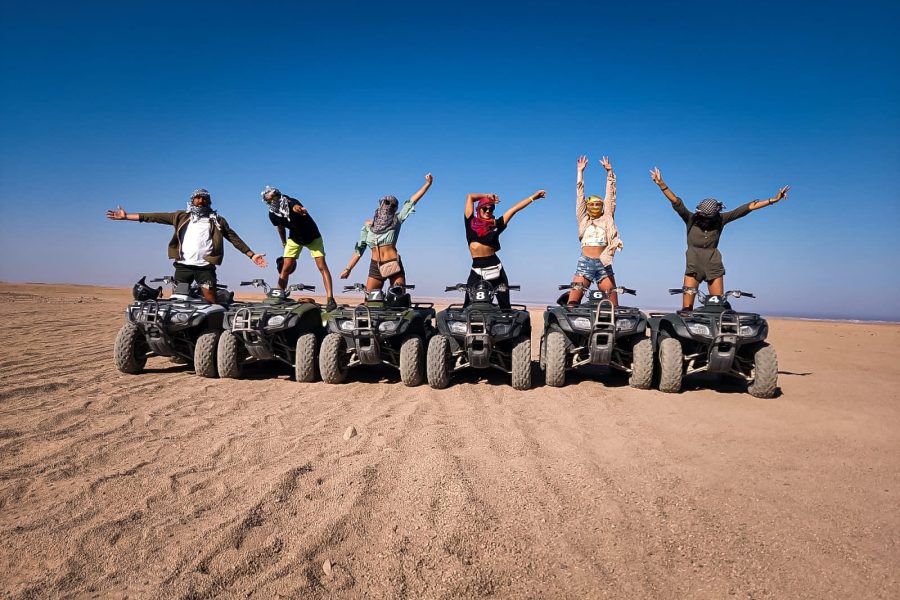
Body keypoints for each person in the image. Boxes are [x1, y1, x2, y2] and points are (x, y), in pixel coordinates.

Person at [650, 167, 790, 310]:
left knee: (718, 309)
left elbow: (747, 208)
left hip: (714, 267)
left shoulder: (720, 219)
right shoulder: (691, 219)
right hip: (693, 267)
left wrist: (774, 199)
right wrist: (661, 184)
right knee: (687, 311)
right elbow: (676, 202)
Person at [106, 188, 268, 303]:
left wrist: (252, 255)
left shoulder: (217, 221)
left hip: (205, 267)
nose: (201, 200)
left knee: (211, 301)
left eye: (204, 198)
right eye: (197, 197)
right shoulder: (181, 217)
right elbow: (154, 217)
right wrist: (126, 216)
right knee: (178, 301)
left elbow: (233, 238)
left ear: (209, 202)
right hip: (183, 267)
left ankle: (216, 331)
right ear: (191, 200)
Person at [340, 173, 434, 291]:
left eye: (393, 205)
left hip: (394, 264)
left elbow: (412, 201)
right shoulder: (368, 227)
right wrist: (348, 269)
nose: (389, 206)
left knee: (398, 300)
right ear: (381, 205)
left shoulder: (396, 220)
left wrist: (428, 184)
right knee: (370, 301)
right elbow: (359, 251)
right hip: (376, 267)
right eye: (386, 203)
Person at [463, 188, 547, 309]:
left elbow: (514, 210)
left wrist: (533, 197)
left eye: (491, 209)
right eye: (485, 208)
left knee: (505, 307)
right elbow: (470, 196)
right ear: (478, 209)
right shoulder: (470, 222)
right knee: (467, 306)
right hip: (476, 270)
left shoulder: (496, 225)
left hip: (496, 269)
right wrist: (487, 195)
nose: (488, 211)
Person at [261, 186, 336, 311]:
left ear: (279, 195)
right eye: (269, 201)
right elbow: (280, 227)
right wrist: (284, 242)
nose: (273, 202)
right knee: (285, 268)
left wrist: (300, 210)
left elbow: (296, 207)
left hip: (312, 237)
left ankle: (330, 299)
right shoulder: (272, 214)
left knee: (322, 267)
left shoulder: (290, 202)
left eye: (275, 198)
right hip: (294, 238)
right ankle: (279, 296)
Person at [567, 155, 624, 307]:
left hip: (604, 265)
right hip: (585, 263)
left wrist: (609, 173)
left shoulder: (607, 218)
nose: (595, 207)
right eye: (592, 205)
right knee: (572, 304)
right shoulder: (583, 219)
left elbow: (611, 197)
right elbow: (580, 195)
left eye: (599, 204)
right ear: (587, 206)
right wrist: (580, 172)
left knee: (613, 307)